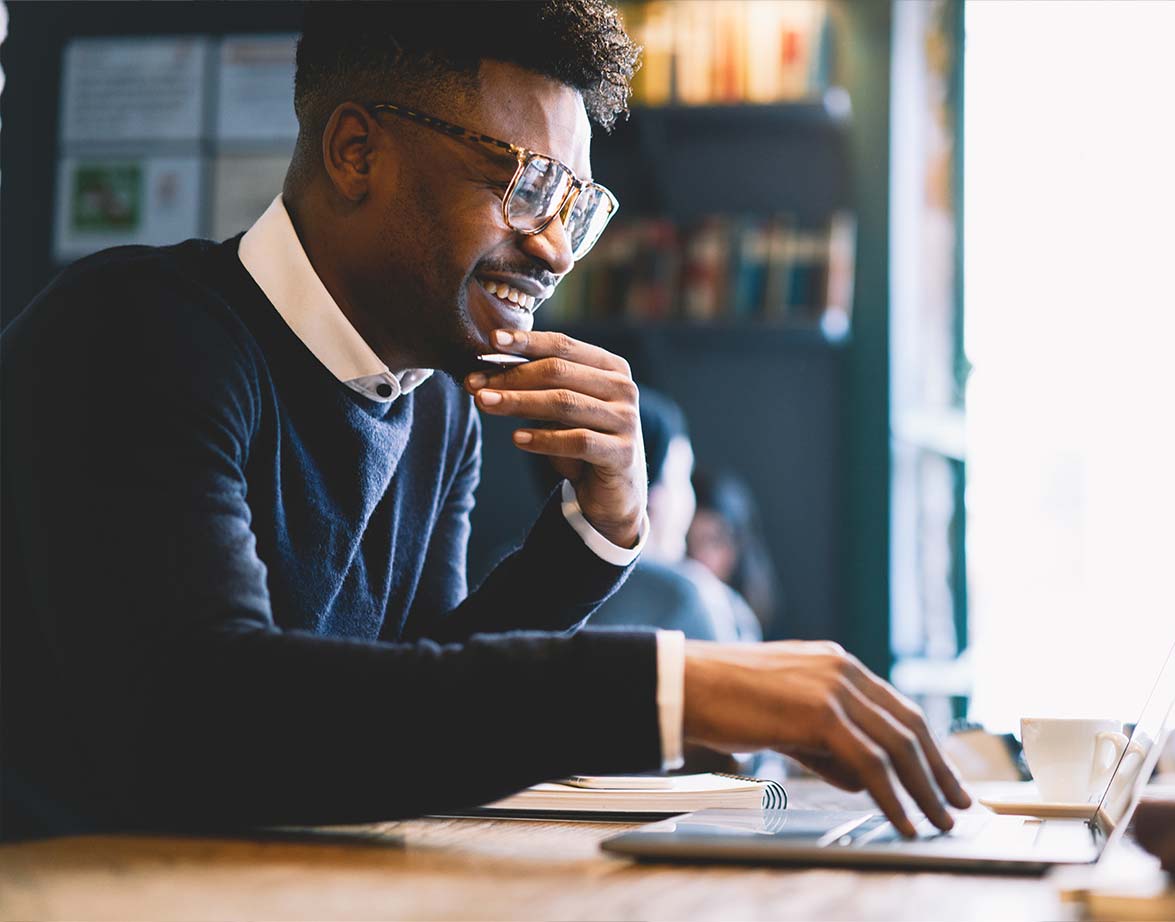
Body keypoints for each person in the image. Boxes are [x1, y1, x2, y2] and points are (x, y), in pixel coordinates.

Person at [0, 1, 968, 841]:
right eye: (524, 185)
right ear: (356, 152)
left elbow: (404, 717)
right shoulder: (135, 332)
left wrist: (595, 538)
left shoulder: (436, 414)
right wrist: (677, 686)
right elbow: (209, 722)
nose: (553, 248)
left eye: (574, 205)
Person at [584, 389, 753, 642]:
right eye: (682, 478)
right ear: (650, 496)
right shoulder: (691, 599)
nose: (691, 501)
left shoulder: (523, 584)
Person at [689, 468, 781, 632]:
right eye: (688, 539)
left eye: (712, 541)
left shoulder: (742, 621)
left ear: (736, 547)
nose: (699, 555)